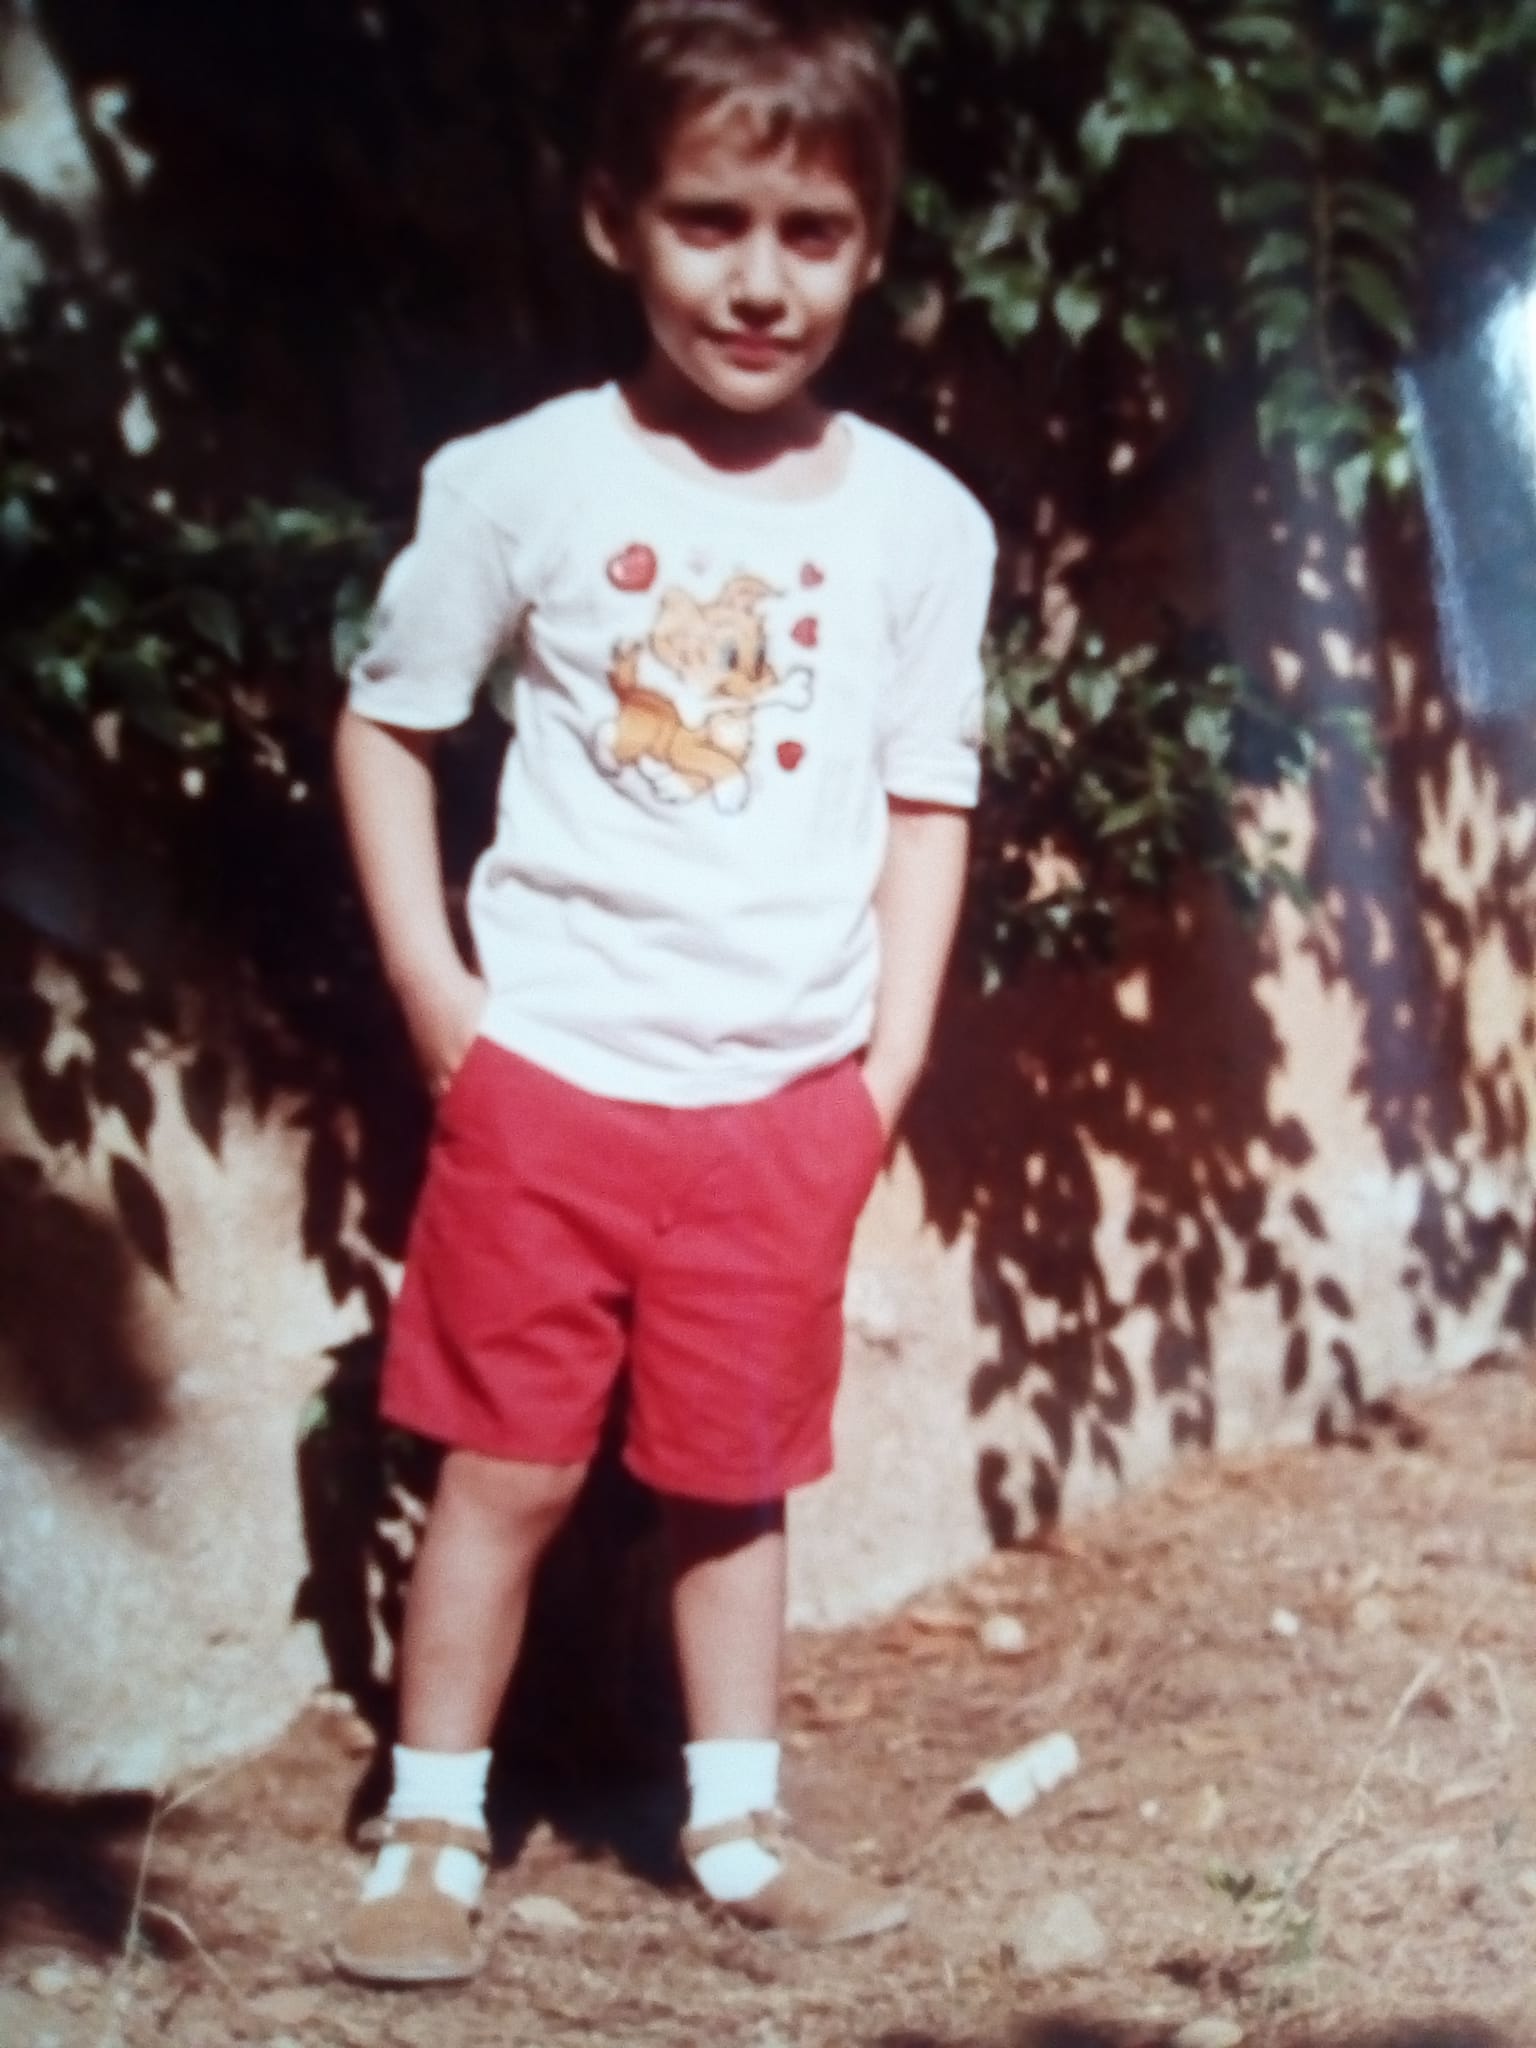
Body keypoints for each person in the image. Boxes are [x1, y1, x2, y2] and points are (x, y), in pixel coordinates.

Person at [330, 0, 996, 1986]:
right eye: (711, 221)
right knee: (510, 1468)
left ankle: (738, 1828)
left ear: (872, 245)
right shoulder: (520, 480)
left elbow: (930, 798)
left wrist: (882, 1071)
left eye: (813, 232)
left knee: (732, 1480)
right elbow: (388, 726)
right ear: (614, 217)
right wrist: (440, 998)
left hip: (781, 1105)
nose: (759, 280)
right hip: (550, 1084)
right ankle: (428, 1832)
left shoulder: (918, 521)